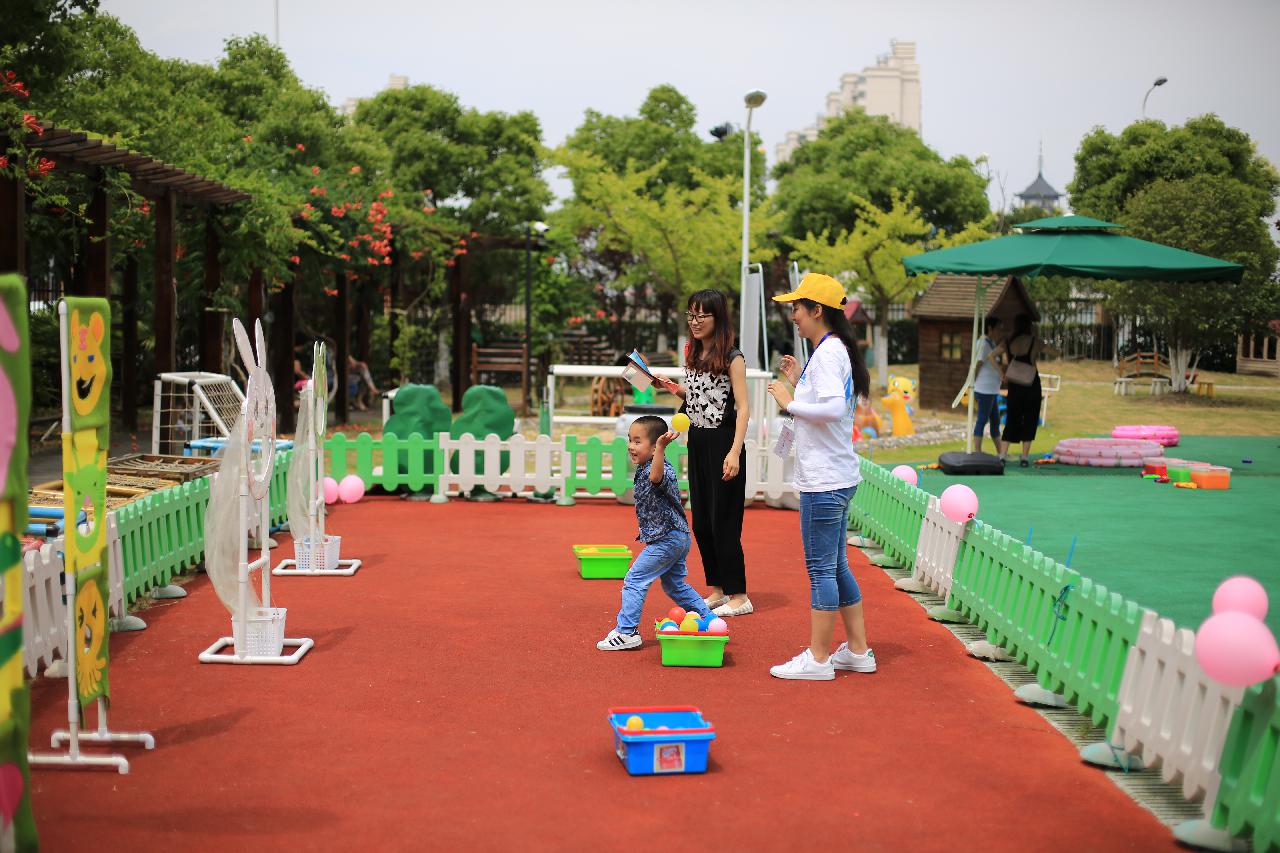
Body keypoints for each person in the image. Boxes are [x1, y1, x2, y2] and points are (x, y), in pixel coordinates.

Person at [765, 273, 876, 681]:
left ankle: (818, 658)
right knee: (835, 565)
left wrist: (790, 401)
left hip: (824, 480)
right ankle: (858, 652)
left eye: (797, 308)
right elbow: (830, 407)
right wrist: (799, 385)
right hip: (837, 476)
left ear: (817, 311)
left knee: (821, 570)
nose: (792, 315)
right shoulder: (832, 350)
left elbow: (828, 410)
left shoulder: (828, 353)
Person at [655, 289, 752, 617]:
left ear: (717, 317)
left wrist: (735, 451)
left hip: (724, 440)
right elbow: (698, 395)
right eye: (690, 315)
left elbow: (743, 407)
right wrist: (671, 388)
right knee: (703, 522)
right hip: (697, 439)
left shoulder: (733, 357)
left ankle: (740, 595)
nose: (695, 322)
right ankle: (719, 589)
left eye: (702, 316)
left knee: (725, 520)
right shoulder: (694, 354)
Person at [597, 416, 714, 650]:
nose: (631, 445)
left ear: (654, 446)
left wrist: (660, 449)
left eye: (638, 441)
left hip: (668, 538)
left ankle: (627, 632)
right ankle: (710, 621)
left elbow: (656, 478)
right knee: (674, 585)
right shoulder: (644, 466)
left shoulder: (660, 468)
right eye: (630, 440)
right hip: (675, 537)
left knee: (634, 579)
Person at [999, 313, 1043, 467]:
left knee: (1012, 418)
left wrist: (1002, 372)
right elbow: (1049, 354)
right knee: (1030, 419)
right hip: (1031, 385)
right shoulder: (1033, 341)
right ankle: (1024, 458)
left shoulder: (1008, 342)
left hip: (1015, 386)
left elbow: (992, 356)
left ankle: (1002, 456)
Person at [972, 317, 1003, 456]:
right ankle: (977, 451)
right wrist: (972, 383)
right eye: (998, 328)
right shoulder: (983, 343)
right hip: (984, 389)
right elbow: (978, 363)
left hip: (992, 389)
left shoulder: (992, 342)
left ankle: (1001, 452)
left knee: (995, 420)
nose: (1000, 331)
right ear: (990, 328)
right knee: (982, 419)